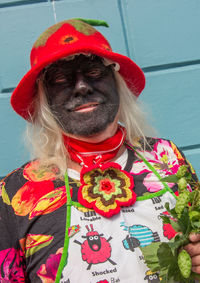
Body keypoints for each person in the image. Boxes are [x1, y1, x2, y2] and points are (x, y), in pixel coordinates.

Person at [0, 18, 199, 283]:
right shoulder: (15, 195)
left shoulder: (167, 158)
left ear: (116, 82)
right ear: (44, 98)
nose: (82, 86)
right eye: (60, 78)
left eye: (93, 71)